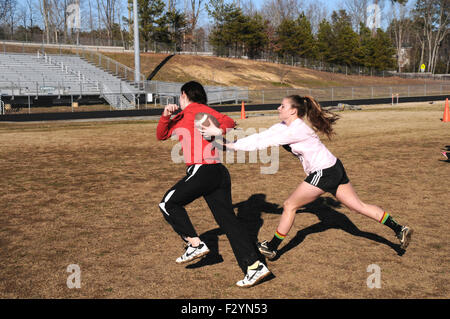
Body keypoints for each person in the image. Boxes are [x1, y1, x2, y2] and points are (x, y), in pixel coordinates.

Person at [218, 95, 413, 259]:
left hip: (324, 172)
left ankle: (272, 247)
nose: (279, 108)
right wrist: (231, 143)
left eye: (283, 106)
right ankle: (399, 228)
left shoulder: (296, 129)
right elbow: (264, 135)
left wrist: (229, 145)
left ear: (293, 111)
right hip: (333, 167)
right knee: (358, 206)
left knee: (290, 205)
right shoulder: (284, 125)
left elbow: (262, 142)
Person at [156, 81, 271, 287]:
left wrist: (215, 132)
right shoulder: (183, 116)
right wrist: (166, 116)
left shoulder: (196, 110)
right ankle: (254, 266)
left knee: (168, 203)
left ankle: (195, 244)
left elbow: (228, 121)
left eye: (179, 97)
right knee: (229, 223)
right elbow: (162, 135)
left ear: (184, 95)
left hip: (204, 169)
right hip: (217, 172)